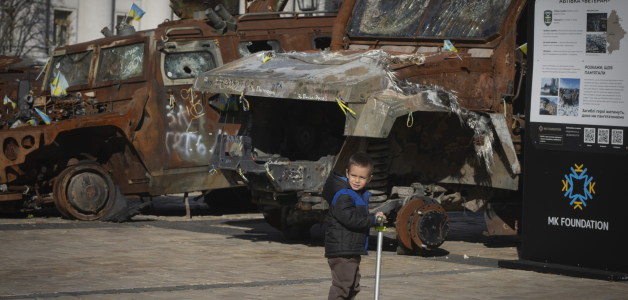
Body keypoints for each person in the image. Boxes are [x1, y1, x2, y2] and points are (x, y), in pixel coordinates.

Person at [323, 152, 386, 300]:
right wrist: (373, 219)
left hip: (351, 249)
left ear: (369, 178)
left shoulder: (357, 194)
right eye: (353, 175)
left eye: (362, 177)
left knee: (353, 285)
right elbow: (351, 220)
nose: (357, 180)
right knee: (342, 286)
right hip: (342, 250)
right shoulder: (344, 195)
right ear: (347, 173)